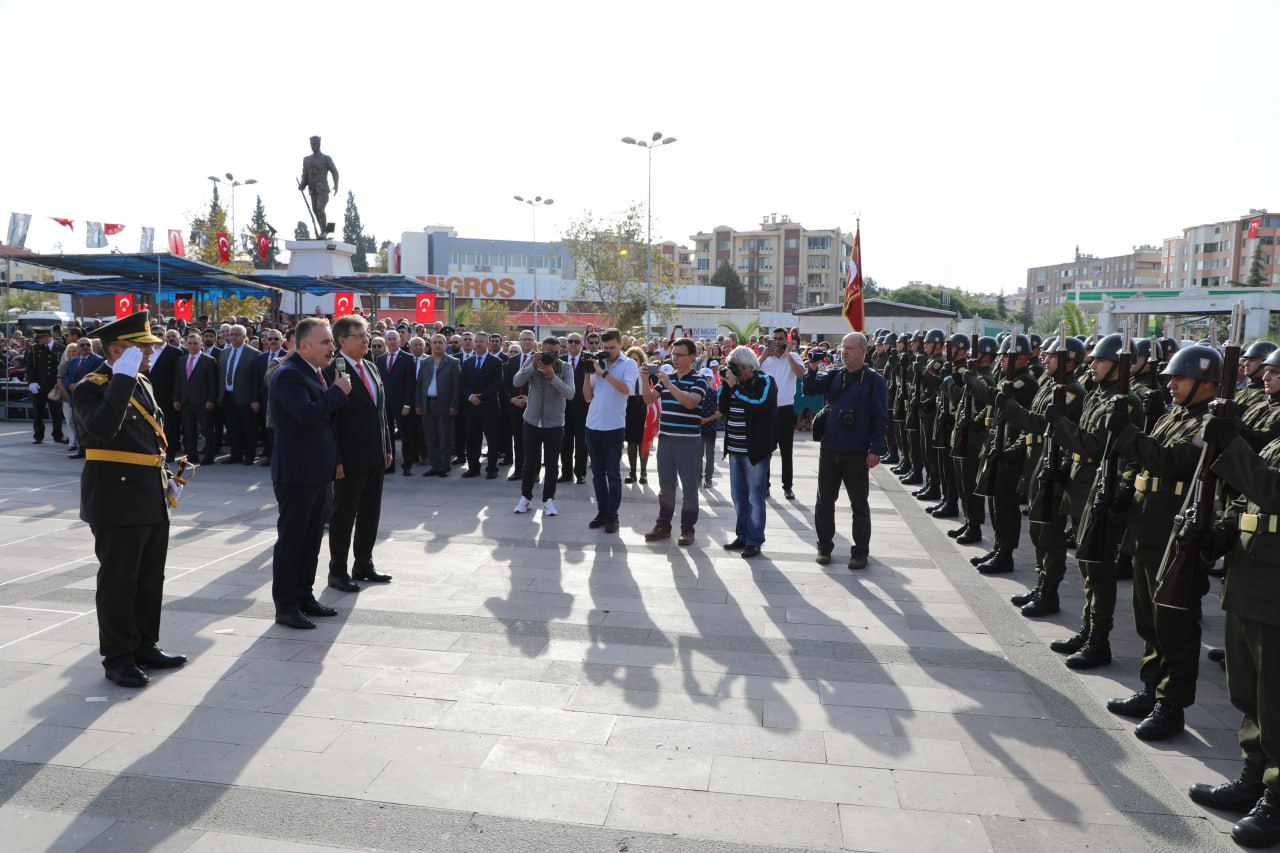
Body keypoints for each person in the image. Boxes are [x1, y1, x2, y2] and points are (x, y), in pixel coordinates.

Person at [1104, 344, 1221, 741]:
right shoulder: (1176, 416)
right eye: (1170, 377)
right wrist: (1124, 487)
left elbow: (1172, 462)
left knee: (1175, 622)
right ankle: (1152, 688)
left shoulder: (1209, 424)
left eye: (1180, 378)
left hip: (1175, 535)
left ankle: (1172, 705)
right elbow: (1144, 460)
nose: (1170, 384)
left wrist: (1127, 434)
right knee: (1148, 616)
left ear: (1205, 384)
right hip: (1147, 528)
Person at [73, 310, 186, 687]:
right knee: (119, 582)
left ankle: (144, 645)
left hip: (149, 492)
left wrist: (167, 477)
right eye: (143, 348)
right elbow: (104, 429)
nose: (151, 354)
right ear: (119, 350)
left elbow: (149, 438)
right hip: (115, 497)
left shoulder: (141, 382)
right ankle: (118, 657)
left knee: (150, 578)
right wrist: (121, 376)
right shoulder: (93, 385)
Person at [1189, 409, 1280, 846]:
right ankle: (1254, 774)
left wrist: (1235, 446)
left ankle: (1278, 797)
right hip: (1251, 578)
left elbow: (1275, 491)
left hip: (1277, 588)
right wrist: (1223, 533)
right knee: (1249, 690)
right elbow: (1248, 499)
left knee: (1277, 698)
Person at [269, 318, 352, 630]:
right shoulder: (289, 375)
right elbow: (306, 415)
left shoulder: (314, 371)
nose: (332, 348)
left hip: (316, 471)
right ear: (303, 346)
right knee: (293, 541)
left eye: (331, 342)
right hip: (296, 473)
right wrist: (337, 393)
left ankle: (305, 596)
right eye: (325, 343)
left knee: (311, 539)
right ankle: (286, 606)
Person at [804, 332, 888, 570]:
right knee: (824, 501)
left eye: (850, 348)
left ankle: (860, 551)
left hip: (857, 451)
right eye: (843, 348)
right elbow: (810, 388)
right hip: (830, 448)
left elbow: (881, 418)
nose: (844, 352)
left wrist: (876, 450)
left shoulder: (874, 381)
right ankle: (824, 545)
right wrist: (812, 366)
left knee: (859, 503)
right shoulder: (834, 374)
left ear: (863, 351)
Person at [323, 315, 394, 592]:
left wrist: (387, 447)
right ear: (342, 341)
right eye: (360, 336)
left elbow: (381, 413)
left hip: (374, 455)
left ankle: (363, 563)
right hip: (349, 459)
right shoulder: (332, 372)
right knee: (343, 515)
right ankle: (337, 570)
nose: (366, 340)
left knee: (370, 513)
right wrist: (336, 459)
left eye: (366, 335)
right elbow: (332, 421)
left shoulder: (371, 367)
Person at [643, 338, 709, 546]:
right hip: (666, 439)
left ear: (692, 357)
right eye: (673, 354)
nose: (676, 358)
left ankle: (687, 528)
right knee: (666, 486)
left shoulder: (699, 380)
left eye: (680, 355)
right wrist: (644, 380)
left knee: (689, 487)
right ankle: (663, 525)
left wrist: (670, 385)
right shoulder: (666, 379)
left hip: (688, 441)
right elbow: (649, 399)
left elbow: (690, 403)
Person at [720, 345, 778, 558]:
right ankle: (742, 535)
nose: (733, 371)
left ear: (747, 366)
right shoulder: (733, 383)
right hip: (735, 449)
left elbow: (759, 404)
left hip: (755, 450)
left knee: (755, 497)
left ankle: (754, 540)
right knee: (738, 496)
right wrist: (726, 386)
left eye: (735, 368)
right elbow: (723, 408)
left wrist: (735, 388)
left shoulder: (766, 381)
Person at [583, 328, 638, 534]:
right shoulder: (598, 362)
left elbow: (627, 389)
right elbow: (588, 397)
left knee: (613, 474)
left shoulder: (629, 364)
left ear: (620, 344)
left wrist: (603, 373)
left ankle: (613, 516)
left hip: (614, 427)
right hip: (592, 425)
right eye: (604, 348)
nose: (608, 351)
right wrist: (588, 374)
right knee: (597, 475)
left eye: (612, 347)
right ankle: (602, 512)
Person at [512, 336, 575, 516]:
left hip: (554, 424)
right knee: (529, 463)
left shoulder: (565, 368)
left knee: (552, 464)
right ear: (541, 349)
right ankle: (525, 498)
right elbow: (517, 382)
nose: (552, 357)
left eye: (556, 353)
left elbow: (570, 394)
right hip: (531, 422)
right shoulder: (534, 363)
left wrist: (552, 377)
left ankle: (548, 500)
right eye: (548, 352)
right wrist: (533, 365)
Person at [760, 328, 806, 500]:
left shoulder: (793, 357)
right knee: (766, 450)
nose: (777, 342)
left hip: (786, 409)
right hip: (768, 409)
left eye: (780, 339)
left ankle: (788, 487)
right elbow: (751, 374)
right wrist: (762, 357)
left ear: (786, 340)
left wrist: (788, 355)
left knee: (787, 451)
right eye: (775, 339)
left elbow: (801, 374)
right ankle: (765, 486)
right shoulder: (765, 358)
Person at [416, 333, 462, 477]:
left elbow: (457, 386)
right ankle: (434, 465)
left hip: (444, 405)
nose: (437, 345)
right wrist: (418, 403)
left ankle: (444, 466)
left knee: (444, 438)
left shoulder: (453, 362)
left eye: (440, 342)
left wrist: (454, 405)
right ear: (430, 345)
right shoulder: (425, 362)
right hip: (427, 404)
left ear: (445, 344)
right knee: (430, 438)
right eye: (434, 342)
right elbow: (419, 385)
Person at [459, 330, 504, 479]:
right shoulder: (467, 362)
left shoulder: (496, 362)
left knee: (492, 440)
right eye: (476, 341)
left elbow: (496, 383)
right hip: (471, 407)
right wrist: (470, 396)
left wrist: (482, 397)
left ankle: (492, 469)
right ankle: (473, 468)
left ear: (488, 343)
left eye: (481, 341)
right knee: (472, 439)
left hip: (489, 407)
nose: (478, 344)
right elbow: (463, 383)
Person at [216, 324, 262, 465]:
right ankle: (235, 454)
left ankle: (249, 455)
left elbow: (256, 379)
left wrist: (255, 399)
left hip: (246, 398)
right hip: (228, 396)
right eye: (231, 334)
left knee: (248, 428)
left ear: (244, 337)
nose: (233, 337)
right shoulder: (224, 353)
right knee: (232, 427)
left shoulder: (253, 354)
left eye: (237, 335)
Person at [172, 331, 219, 466]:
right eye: (190, 343)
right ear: (185, 344)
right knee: (188, 430)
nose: (192, 346)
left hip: (203, 402)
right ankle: (192, 455)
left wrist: (211, 400)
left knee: (207, 430)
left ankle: (209, 456)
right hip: (185, 402)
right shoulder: (181, 360)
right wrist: (176, 398)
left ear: (201, 344)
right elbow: (178, 381)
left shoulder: (209, 361)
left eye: (195, 343)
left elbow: (213, 383)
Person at [377, 329, 416, 476]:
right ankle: (390, 465)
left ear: (400, 341)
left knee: (406, 435)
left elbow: (411, 384)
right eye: (390, 339)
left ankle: (407, 465)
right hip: (385, 405)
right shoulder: (381, 359)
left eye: (395, 339)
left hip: (402, 405)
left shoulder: (407, 358)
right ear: (385, 341)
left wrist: (407, 404)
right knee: (387, 436)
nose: (392, 341)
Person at [25, 327, 66, 445]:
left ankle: (58, 435)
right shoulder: (34, 349)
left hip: (54, 386)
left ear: (48, 337)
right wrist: (31, 382)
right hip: (39, 386)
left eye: (40, 337)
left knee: (56, 413)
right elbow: (30, 367)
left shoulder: (60, 349)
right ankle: (38, 435)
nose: (38, 340)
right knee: (38, 413)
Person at [560, 333, 591, 484]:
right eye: (570, 341)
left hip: (583, 408)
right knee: (564, 443)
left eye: (576, 341)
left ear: (582, 343)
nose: (573, 344)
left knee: (581, 444)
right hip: (563, 409)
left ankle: (580, 473)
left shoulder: (588, 360)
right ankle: (566, 473)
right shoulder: (560, 361)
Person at [624, 347, 651, 484]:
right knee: (631, 441)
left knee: (643, 441)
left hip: (643, 404)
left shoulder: (646, 372)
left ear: (641, 360)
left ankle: (644, 472)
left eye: (636, 359)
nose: (634, 362)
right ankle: (632, 472)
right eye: (631, 359)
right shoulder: (624, 371)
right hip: (629, 405)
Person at [698, 367, 722, 488]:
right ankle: (698, 478)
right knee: (698, 454)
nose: (707, 381)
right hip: (698, 429)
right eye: (704, 378)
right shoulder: (695, 393)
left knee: (710, 455)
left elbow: (720, 412)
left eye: (709, 378)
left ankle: (708, 479)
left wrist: (706, 420)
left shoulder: (714, 393)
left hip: (710, 428)